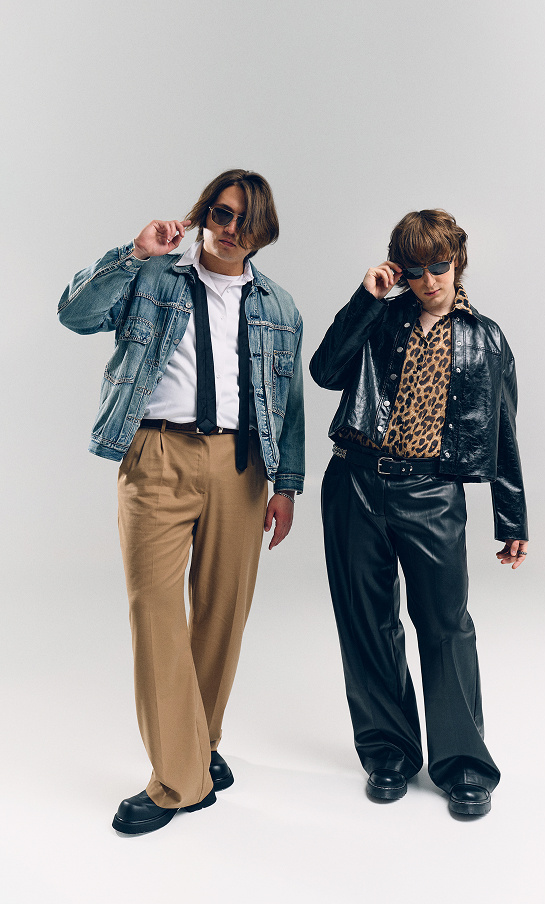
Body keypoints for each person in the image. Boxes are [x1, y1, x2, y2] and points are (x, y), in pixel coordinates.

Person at [59, 169, 304, 835]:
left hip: (241, 466)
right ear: (203, 214)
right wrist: (132, 252)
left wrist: (286, 486)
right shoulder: (153, 275)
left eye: (246, 221)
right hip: (157, 455)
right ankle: (178, 780)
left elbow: (288, 404)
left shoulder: (280, 307)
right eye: (221, 214)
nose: (231, 230)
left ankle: (201, 744)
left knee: (223, 615)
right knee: (156, 614)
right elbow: (74, 314)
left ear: (263, 232)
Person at [309, 209, 527, 817]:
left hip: (432, 493)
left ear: (457, 262)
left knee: (445, 626)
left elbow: (504, 432)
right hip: (354, 482)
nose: (429, 281)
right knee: (367, 623)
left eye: (440, 266)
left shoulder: (486, 339)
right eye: (415, 270)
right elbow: (324, 371)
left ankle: (464, 766)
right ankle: (388, 753)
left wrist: (511, 519)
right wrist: (366, 298)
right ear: (399, 271)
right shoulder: (381, 317)